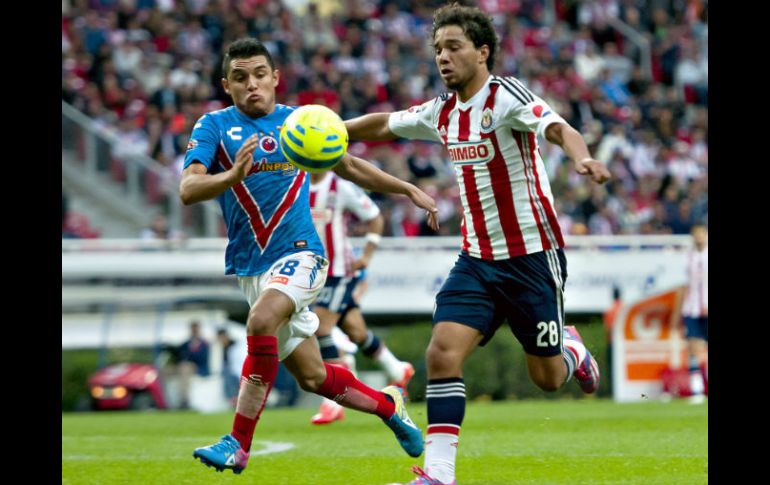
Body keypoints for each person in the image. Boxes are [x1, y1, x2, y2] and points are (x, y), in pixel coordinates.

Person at [343, 4, 611, 484]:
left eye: (454, 47)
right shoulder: (441, 111)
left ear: (482, 51)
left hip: (532, 257)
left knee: (548, 379)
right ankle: (439, 475)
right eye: (438, 49)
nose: (442, 57)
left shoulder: (506, 97)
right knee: (441, 353)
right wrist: (332, 132)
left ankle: (572, 351)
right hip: (477, 258)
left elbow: (558, 128)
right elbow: (385, 123)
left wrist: (582, 157)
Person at [179, 37, 439, 475]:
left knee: (261, 321)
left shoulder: (299, 122)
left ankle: (237, 444)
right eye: (240, 77)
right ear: (227, 85)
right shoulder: (214, 127)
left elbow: (348, 164)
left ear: (275, 78)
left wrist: (406, 188)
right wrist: (232, 175)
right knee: (313, 377)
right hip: (252, 268)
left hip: (302, 256)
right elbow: (188, 189)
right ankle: (389, 406)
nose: (252, 84)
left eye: (260, 74)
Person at [308, 170, 416, 425]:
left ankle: (333, 402)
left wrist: (367, 255)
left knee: (320, 327)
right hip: (313, 271)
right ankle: (398, 368)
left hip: (339, 272)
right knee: (356, 332)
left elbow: (375, 218)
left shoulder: (339, 186)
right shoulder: (297, 183)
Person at [681, 224, 707, 403]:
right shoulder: (687, 257)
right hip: (691, 308)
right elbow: (684, 285)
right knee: (693, 346)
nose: (698, 237)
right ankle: (696, 388)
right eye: (695, 234)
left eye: (701, 234)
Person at [176, 320, 210, 409]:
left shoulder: (204, 344)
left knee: (185, 368)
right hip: (184, 366)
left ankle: (184, 400)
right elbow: (179, 353)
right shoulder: (186, 343)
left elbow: (202, 358)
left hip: (198, 367)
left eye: (196, 329)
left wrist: (192, 351)